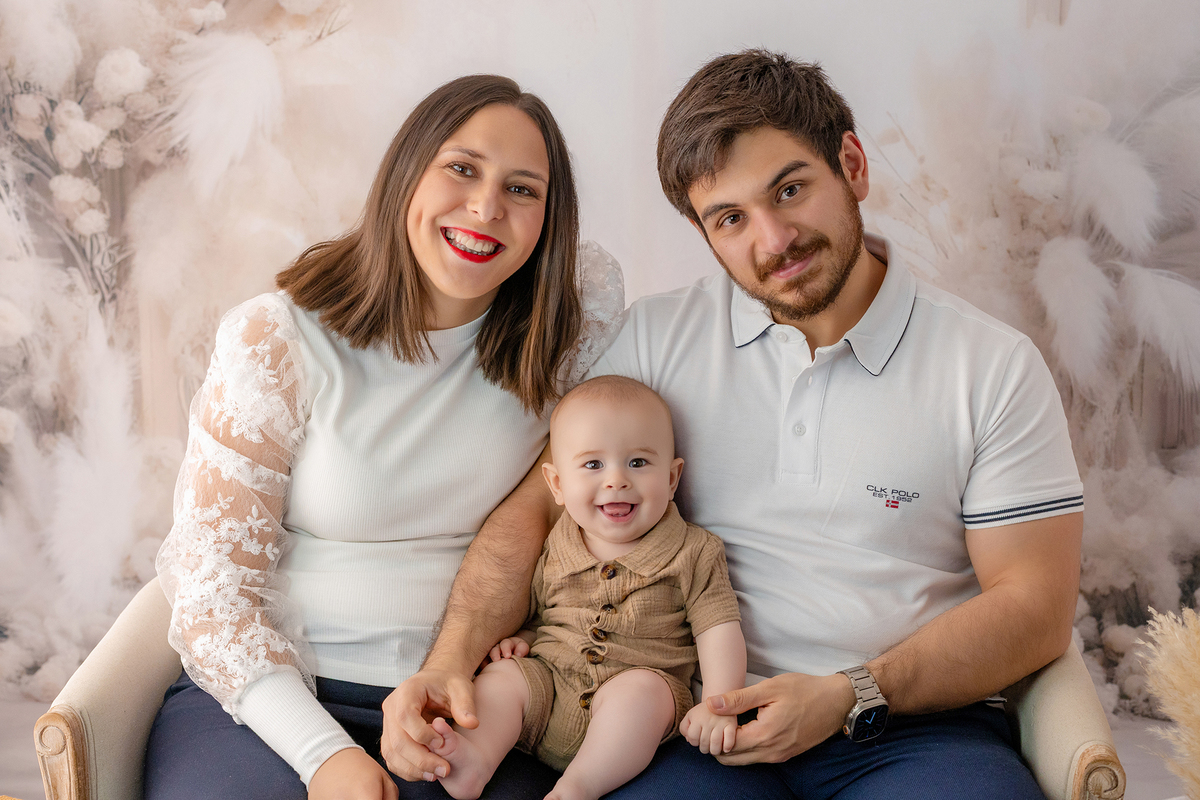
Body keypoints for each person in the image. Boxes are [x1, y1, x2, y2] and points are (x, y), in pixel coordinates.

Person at [382, 50, 1084, 800]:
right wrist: (451, 658)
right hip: (695, 724)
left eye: (789, 189)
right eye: (731, 218)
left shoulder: (992, 366)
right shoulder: (656, 341)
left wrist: (853, 691)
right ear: (703, 231)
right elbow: (535, 508)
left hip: (911, 728)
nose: (773, 239)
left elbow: (1034, 609)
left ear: (851, 163)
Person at [143, 74, 623, 800]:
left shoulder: (567, 329)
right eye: (462, 168)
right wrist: (323, 756)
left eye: (524, 189)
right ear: (406, 173)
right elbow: (211, 587)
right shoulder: (278, 338)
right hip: (279, 699)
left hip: (472, 704)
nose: (487, 208)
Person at [429, 375, 746, 800]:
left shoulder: (694, 551)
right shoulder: (557, 541)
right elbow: (543, 613)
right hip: (549, 686)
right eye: (593, 465)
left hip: (634, 696)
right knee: (502, 678)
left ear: (672, 479)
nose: (616, 480)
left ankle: (578, 787)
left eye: (638, 463)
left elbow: (718, 630)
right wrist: (520, 641)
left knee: (641, 694)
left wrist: (720, 705)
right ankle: (476, 758)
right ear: (557, 485)